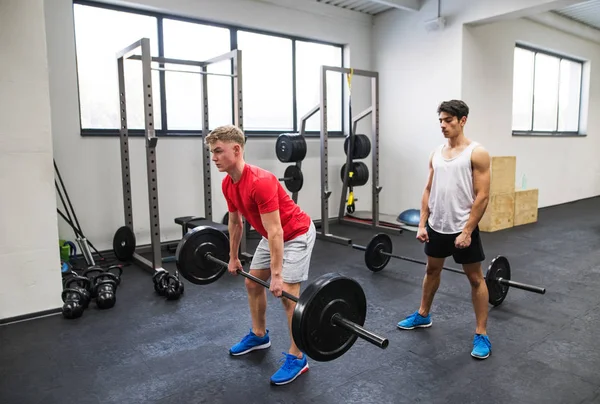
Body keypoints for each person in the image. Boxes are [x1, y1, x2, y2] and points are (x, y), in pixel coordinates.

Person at [205, 124, 316, 385]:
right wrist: (233, 257)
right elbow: (235, 223)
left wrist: (276, 276)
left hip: (296, 233)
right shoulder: (228, 184)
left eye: (218, 151)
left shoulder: (260, 181)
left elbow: (277, 231)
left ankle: (298, 357)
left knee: (288, 295)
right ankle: (259, 335)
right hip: (272, 235)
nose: (214, 157)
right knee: (252, 282)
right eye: (212, 152)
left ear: (237, 149)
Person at [396, 100, 492, 359]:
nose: (443, 125)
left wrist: (468, 231)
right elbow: (428, 189)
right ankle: (423, 315)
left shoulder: (477, 152)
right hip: (437, 225)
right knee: (432, 269)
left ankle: (481, 333)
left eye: (448, 120)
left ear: (462, 120)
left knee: (475, 279)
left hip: (463, 228)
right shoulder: (436, 153)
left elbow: (483, 195)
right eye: (440, 120)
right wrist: (422, 223)